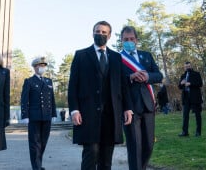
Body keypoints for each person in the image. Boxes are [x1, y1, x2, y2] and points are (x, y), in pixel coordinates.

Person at [68, 20, 133, 170]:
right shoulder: (81, 55)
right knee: (91, 154)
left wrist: (128, 108)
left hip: (111, 115)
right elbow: (73, 86)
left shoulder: (117, 58)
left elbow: (122, 86)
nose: (100, 34)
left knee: (106, 159)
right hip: (88, 114)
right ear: (92, 33)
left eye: (104, 32)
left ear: (109, 36)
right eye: (97, 31)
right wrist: (74, 110)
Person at [120, 25, 163, 170]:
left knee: (149, 145)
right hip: (129, 108)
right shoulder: (117, 58)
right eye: (126, 39)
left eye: (132, 39)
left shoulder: (147, 55)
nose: (129, 41)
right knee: (134, 147)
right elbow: (114, 82)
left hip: (148, 106)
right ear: (121, 40)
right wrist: (130, 77)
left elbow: (159, 75)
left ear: (136, 40)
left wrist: (148, 76)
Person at [21, 56, 57, 170]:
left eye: (44, 66)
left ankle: (38, 164)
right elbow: (24, 99)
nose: (42, 68)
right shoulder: (29, 81)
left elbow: (52, 99)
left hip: (47, 116)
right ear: (35, 67)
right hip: (34, 117)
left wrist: (54, 113)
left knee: (43, 142)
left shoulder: (49, 81)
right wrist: (25, 115)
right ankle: (36, 167)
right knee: (34, 144)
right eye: (40, 66)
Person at [178, 61, 203, 137]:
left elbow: (200, 84)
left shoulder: (196, 74)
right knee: (185, 115)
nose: (187, 68)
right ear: (184, 67)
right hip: (186, 98)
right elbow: (179, 87)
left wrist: (190, 84)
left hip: (195, 98)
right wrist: (181, 84)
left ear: (191, 66)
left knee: (197, 115)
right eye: (186, 67)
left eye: (188, 66)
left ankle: (198, 132)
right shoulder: (183, 75)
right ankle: (185, 132)